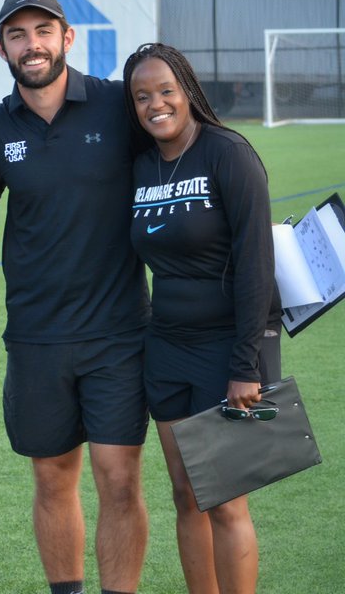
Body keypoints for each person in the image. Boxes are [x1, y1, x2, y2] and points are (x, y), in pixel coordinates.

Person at [0, 0, 151, 594]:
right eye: (18, 35)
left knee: (119, 480)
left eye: (43, 31)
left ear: (67, 38)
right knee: (52, 478)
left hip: (118, 334)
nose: (33, 45)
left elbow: (187, 158)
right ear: (1, 48)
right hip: (36, 336)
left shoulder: (116, 105)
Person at [123, 43, 279, 594]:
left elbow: (257, 266)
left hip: (225, 349)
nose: (156, 104)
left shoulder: (227, 153)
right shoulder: (142, 165)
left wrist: (245, 365)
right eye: (142, 96)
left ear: (187, 90)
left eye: (166, 91)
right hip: (166, 348)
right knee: (186, 494)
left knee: (226, 500)